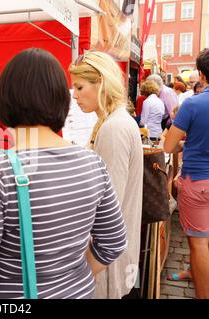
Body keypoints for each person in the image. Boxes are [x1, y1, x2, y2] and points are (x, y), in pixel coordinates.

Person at [0, 48, 127, 299]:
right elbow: (114, 242)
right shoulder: (93, 163)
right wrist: (71, 281)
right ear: (61, 100)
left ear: (5, 98)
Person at [68, 50, 143, 299]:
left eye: (80, 87)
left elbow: (109, 208)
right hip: (115, 258)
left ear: (100, 82)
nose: (75, 96)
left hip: (108, 265)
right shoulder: (114, 122)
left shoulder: (114, 128)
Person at [164, 48, 209, 299]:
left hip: (198, 180)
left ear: (201, 74)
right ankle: (195, 272)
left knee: (199, 242)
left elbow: (169, 146)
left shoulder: (193, 103)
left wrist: (188, 142)